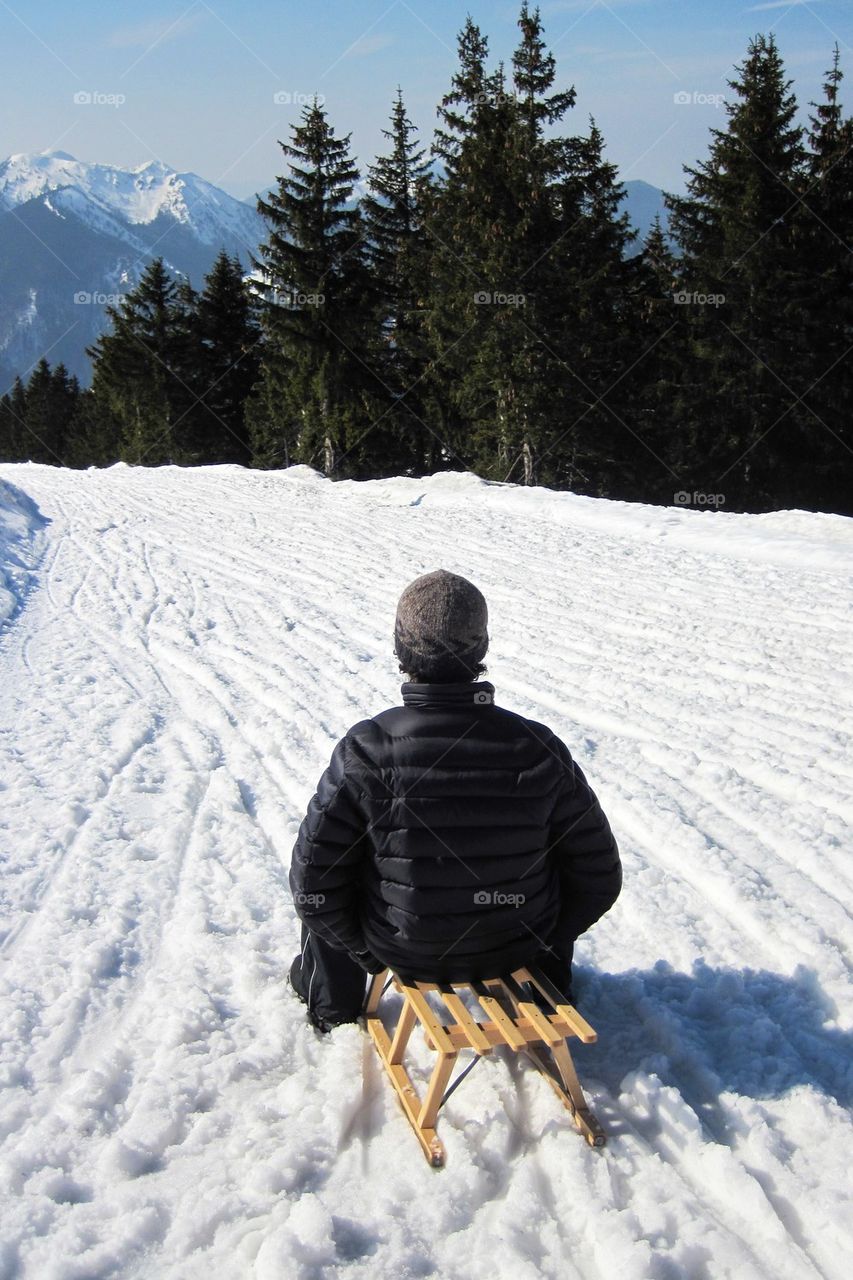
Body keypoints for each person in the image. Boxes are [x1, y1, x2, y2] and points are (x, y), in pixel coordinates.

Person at [288, 569, 621, 1033]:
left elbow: (313, 887)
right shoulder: (538, 746)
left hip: (402, 950)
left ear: (401, 651)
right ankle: (551, 986)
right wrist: (547, 937)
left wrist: (365, 950)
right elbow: (598, 875)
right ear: (481, 649)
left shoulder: (366, 748)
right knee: (551, 867)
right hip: (517, 946)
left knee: (333, 883)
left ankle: (334, 1007)